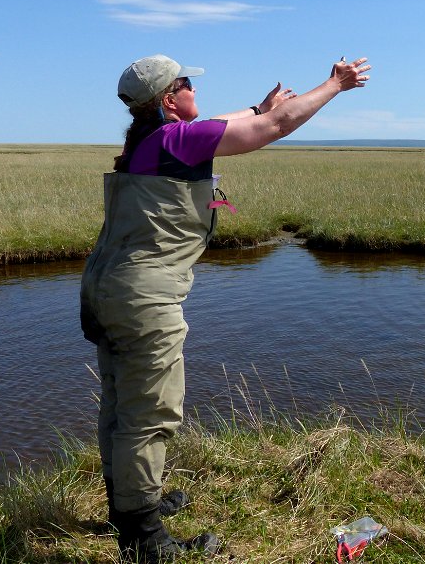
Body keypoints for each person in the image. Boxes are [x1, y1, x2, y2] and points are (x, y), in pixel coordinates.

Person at [80, 53, 370, 562]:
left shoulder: (149, 141)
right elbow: (273, 127)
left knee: (120, 404)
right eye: (187, 82)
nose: (195, 88)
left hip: (107, 290)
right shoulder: (177, 140)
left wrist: (257, 105)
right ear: (169, 98)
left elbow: (235, 121)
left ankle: (129, 504)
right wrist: (334, 85)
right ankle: (144, 539)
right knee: (150, 413)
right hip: (145, 298)